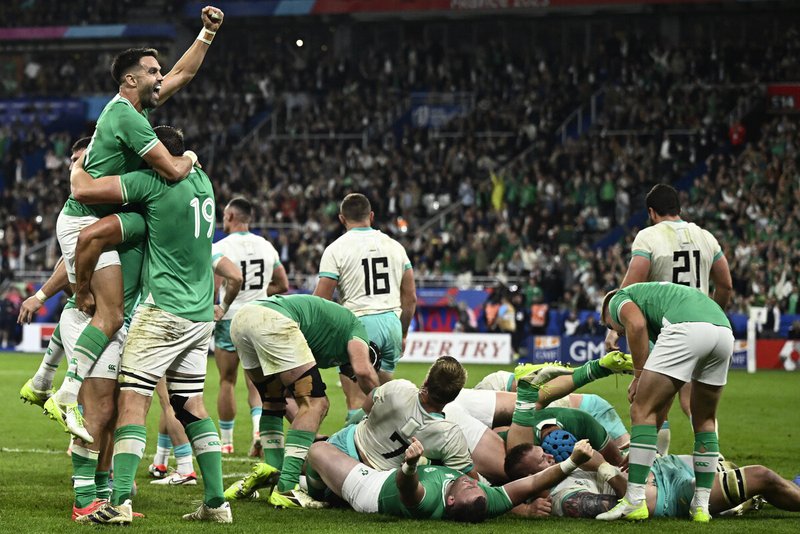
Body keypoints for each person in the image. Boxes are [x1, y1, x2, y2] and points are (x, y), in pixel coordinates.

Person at [47, 6, 224, 442]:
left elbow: (183, 75)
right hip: (86, 218)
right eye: (152, 71)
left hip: (105, 216)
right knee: (108, 312)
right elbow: (170, 170)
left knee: (114, 313)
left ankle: (47, 382)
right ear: (130, 79)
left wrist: (207, 33)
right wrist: (190, 157)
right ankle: (64, 391)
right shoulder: (126, 115)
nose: (160, 77)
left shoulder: (136, 108)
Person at [70, 125, 230, 524]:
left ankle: (119, 502)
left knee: (132, 403)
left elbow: (84, 192)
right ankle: (216, 503)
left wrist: (78, 167)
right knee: (191, 404)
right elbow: (188, 157)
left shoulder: (151, 183)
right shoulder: (202, 180)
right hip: (200, 315)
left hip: (163, 312)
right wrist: (189, 155)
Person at [605, 183, 733, 456]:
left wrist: (616, 328)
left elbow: (630, 288)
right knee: (695, 406)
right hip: (703, 328)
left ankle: (652, 466)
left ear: (652, 212)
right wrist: (712, 312)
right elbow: (726, 285)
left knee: (650, 405)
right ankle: (716, 464)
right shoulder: (705, 236)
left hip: (666, 327)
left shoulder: (648, 236)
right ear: (679, 209)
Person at [226, 293, 381, 506]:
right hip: (273, 320)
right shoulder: (358, 331)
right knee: (318, 403)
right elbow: (364, 371)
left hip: (242, 321)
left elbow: (291, 395)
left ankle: (275, 471)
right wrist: (383, 405)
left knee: (274, 401)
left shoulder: (324, 339)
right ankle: (287, 486)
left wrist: (310, 434)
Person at [597, 282, 734, 522]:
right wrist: (644, 447)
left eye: (613, 327)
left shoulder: (619, 298)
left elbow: (635, 324)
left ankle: (634, 501)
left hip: (687, 328)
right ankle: (701, 506)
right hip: (723, 330)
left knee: (640, 407)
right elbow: (664, 399)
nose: (618, 332)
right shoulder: (658, 304)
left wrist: (638, 377)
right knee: (704, 419)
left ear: (608, 313)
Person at [306, 436, 594, 522]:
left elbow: (406, 489)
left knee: (318, 450)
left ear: (451, 500)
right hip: (402, 472)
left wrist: (408, 467)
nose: (473, 482)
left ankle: (317, 493)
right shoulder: (485, 500)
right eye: (476, 487)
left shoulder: (429, 502)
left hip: (373, 489)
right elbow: (531, 484)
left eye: (468, 487)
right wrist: (572, 462)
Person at [313, 193, 416, 421]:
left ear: (341, 219)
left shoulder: (336, 249)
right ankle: (396, 444)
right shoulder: (395, 246)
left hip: (359, 325)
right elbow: (410, 298)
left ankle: (355, 453)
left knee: (358, 401)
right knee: (384, 398)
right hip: (392, 324)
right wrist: (404, 333)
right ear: (371, 216)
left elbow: (321, 299)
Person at [212, 197, 288, 456]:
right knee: (257, 381)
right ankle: (258, 431)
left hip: (231, 317)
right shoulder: (266, 246)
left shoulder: (221, 246)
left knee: (226, 381)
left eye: (224, 215)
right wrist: (259, 293)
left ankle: (226, 442)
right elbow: (283, 284)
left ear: (231, 216)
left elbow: (213, 287)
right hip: (260, 317)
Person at [18, 138, 89, 407]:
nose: (72, 166)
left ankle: (43, 378)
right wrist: (41, 295)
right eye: (71, 160)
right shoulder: (79, 206)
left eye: (78, 159)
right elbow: (68, 262)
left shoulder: (107, 199)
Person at [545, 455, 800, 520]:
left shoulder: (571, 468)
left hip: (669, 467)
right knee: (761, 477)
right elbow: (642, 502)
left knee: (739, 472)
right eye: (541, 459)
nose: (548, 455)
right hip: (674, 493)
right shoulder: (563, 496)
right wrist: (604, 467)